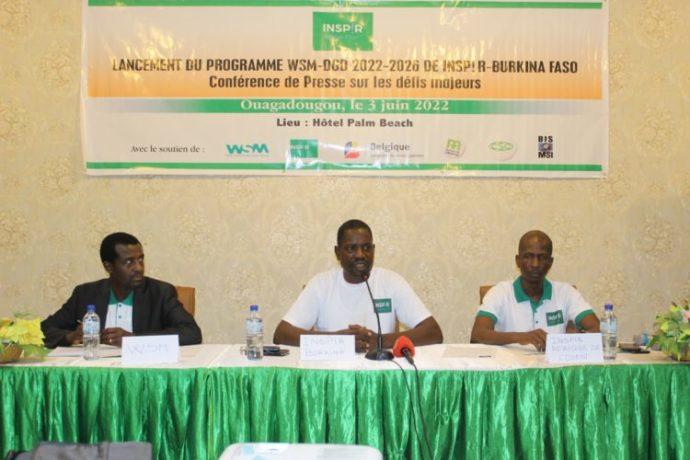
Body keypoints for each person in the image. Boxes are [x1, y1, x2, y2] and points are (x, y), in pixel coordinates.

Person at [273, 219, 443, 352]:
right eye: (351, 249)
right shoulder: (320, 284)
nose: (361, 254)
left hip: (380, 374)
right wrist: (338, 342)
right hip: (333, 374)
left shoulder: (392, 282)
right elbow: (281, 335)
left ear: (373, 250)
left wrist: (380, 341)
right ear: (337, 252)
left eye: (366, 247)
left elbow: (434, 333)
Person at [41, 232, 202, 348]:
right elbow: (43, 330)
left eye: (141, 259)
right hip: (96, 374)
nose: (139, 268)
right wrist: (70, 337)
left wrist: (133, 339)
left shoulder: (160, 293)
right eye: (129, 262)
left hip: (143, 372)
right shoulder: (85, 294)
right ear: (108, 266)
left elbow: (191, 333)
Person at [470, 230, 599, 351]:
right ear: (518, 261)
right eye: (528, 257)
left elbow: (596, 328)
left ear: (550, 262)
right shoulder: (499, 292)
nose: (535, 264)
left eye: (542, 257)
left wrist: (576, 339)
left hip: (552, 367)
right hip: (511, 367)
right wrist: (521, 337)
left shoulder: (566, 292)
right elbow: (477, 335)